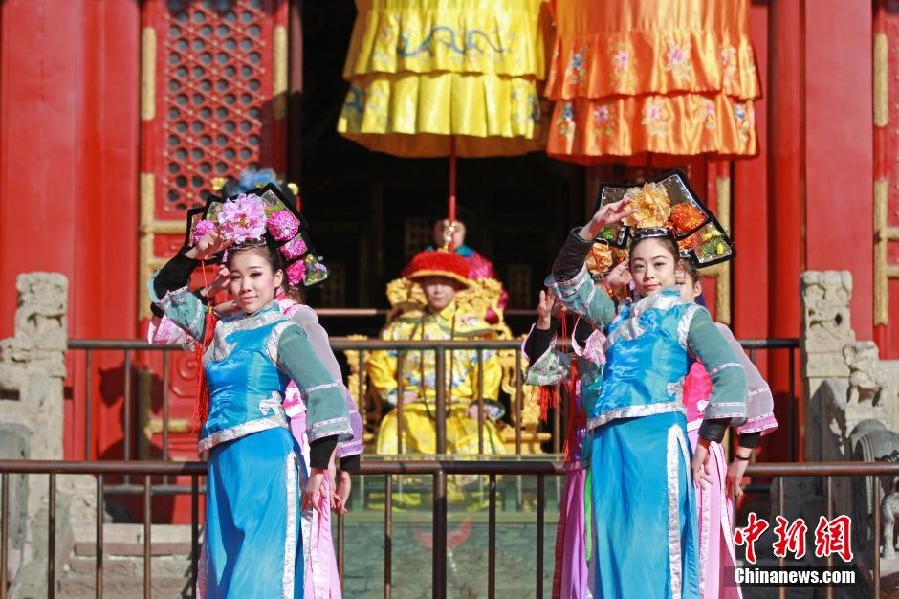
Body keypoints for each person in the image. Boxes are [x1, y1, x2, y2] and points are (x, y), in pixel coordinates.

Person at [149, 185, 352, 598]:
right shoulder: (217, 329)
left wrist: (318, 469)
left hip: (267, 457)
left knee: (258, 577)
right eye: (237, 276)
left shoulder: (284, 331)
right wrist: (194, 253)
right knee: (225, 572)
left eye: (256, 275)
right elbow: (164, 295)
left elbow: (325, 393)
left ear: (277, 279)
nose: (245, 286)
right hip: (224, 462)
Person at [551, 173, 748, 598]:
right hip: (609, 446)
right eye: (639, 266)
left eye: (658, 264)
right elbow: (566, 278)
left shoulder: (688, 317)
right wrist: (594, 227)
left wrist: (708, 439)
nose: (648, 275)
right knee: (613, 553)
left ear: (677, 268)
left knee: (659, 550)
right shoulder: (616, 317)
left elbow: (730, 374)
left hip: (657, 440)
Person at [678, 263, 777, 599]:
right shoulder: (650, 335)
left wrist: (740, 462)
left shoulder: (714, 335)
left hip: (701, 452)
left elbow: (754, 392)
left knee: (699, 551)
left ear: (696, 288)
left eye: (680, 283)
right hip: (657, 451)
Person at [367, 249, 504, 456]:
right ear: (422, 286)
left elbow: (488, 369)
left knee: (479, 437)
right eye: (431, 283)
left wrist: (481, 402)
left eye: (444, 283)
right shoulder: (404, 327)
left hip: (462, 406)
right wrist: (395, 392)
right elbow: (379, 361)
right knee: (392, 431)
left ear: (456, 287)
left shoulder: (473, 329)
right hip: (415, 406)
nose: (438, 290)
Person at [429, 211, 508, 322]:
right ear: (433, 232)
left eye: (456, 230)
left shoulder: (481, 266)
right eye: (442, 229)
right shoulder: (421, 263)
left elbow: (498, 301)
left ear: (465, 232)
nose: (448, 235)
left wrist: (476, 316)